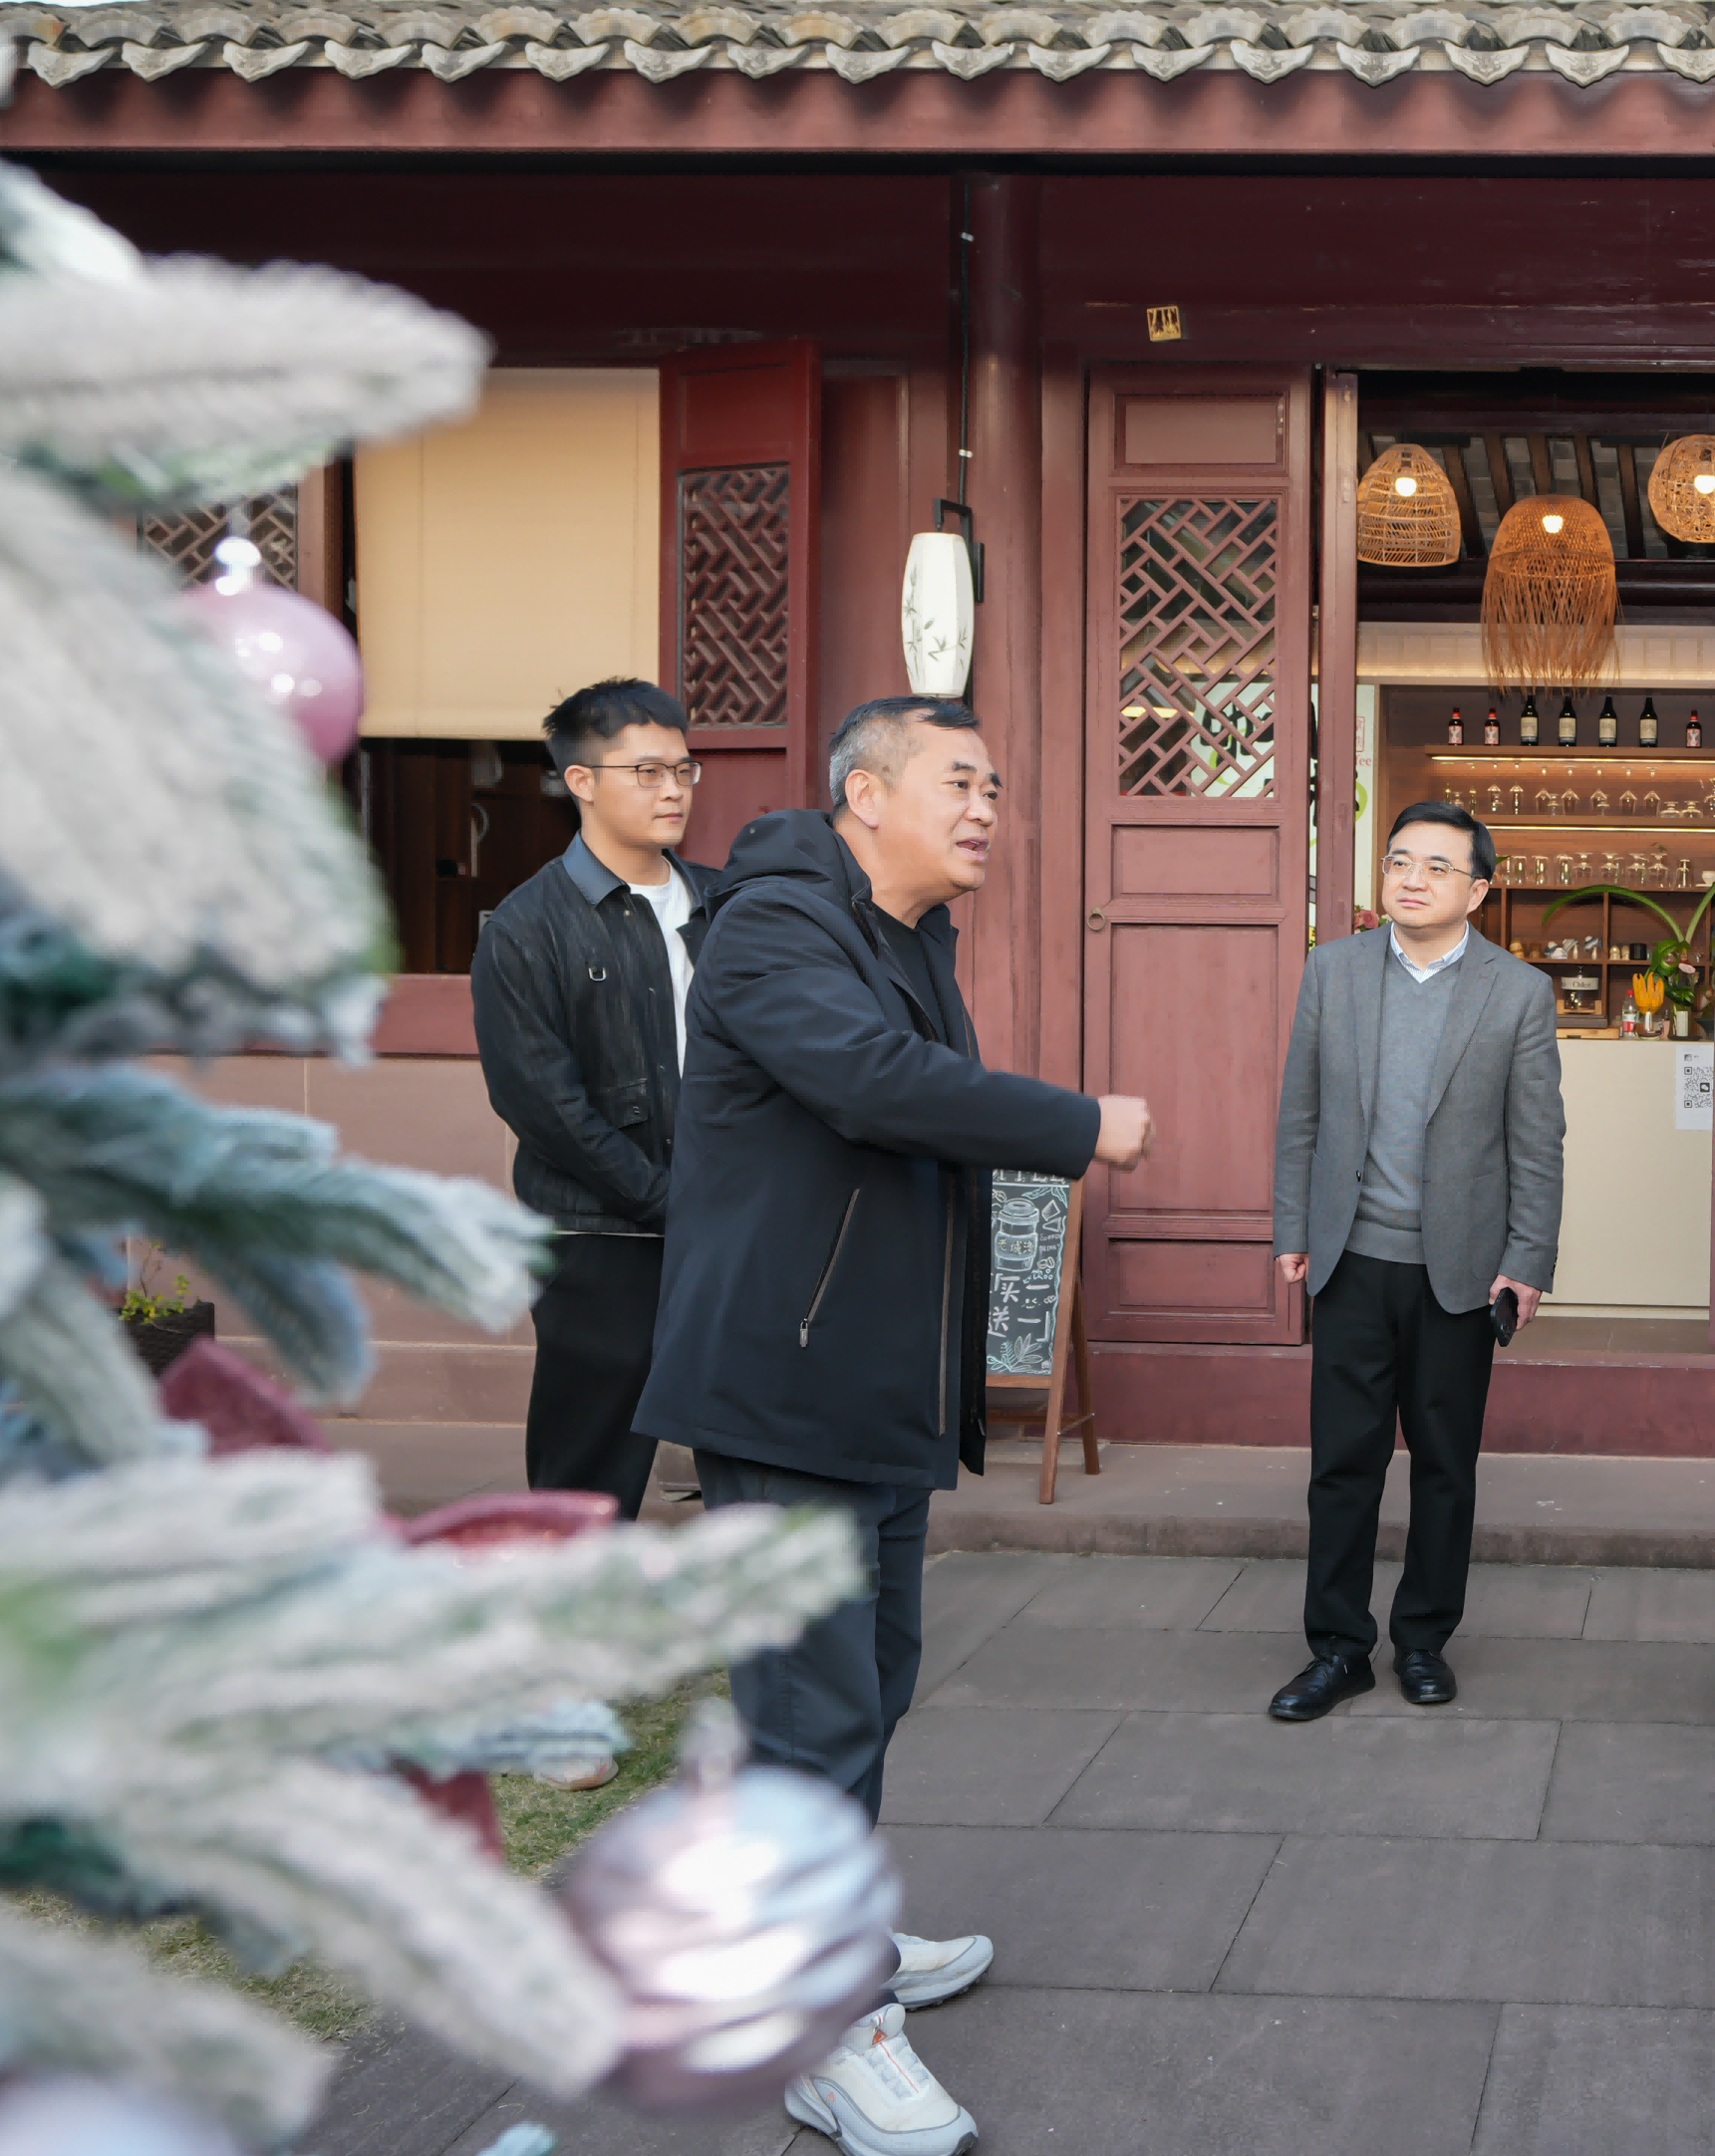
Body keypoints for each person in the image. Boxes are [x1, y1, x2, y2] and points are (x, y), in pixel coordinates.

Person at [636, 695, 1157, 2156]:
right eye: (959, 782)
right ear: (866, 795)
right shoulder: (775, 922)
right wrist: (1074, 1124)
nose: (988, 807)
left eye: (995, 785)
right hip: (784, 1389)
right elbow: (872, 1086)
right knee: (810, 1711)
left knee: (867, 1686)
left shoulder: (911, 933)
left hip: (873, 1390)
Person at [1268, 799, 1564, 1721]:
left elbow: (1537, 1141)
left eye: (1438, 866)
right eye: (1400, 861)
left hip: (1459, 1269)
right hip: (1351, 1258)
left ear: (1477, 890)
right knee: (1341, 1464)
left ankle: (1424, 1639)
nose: (1413, 879)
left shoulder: (1517, 991)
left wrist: (1528, 1257)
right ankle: (1338, 1648)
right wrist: (1292, 1227)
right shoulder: (1334, 970)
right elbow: (1301, 1112)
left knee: (1444, 1463)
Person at [470, 678, 716, 1533]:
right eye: (647, 771)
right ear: (581, 780)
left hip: (731, 1223)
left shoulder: (728, 905)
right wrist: (664, 1197)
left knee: (753, 1443)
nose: (673, 789)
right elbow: (542, 1103)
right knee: (589, 1464)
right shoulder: (527, 927)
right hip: (599, 1235)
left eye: (683, 768)